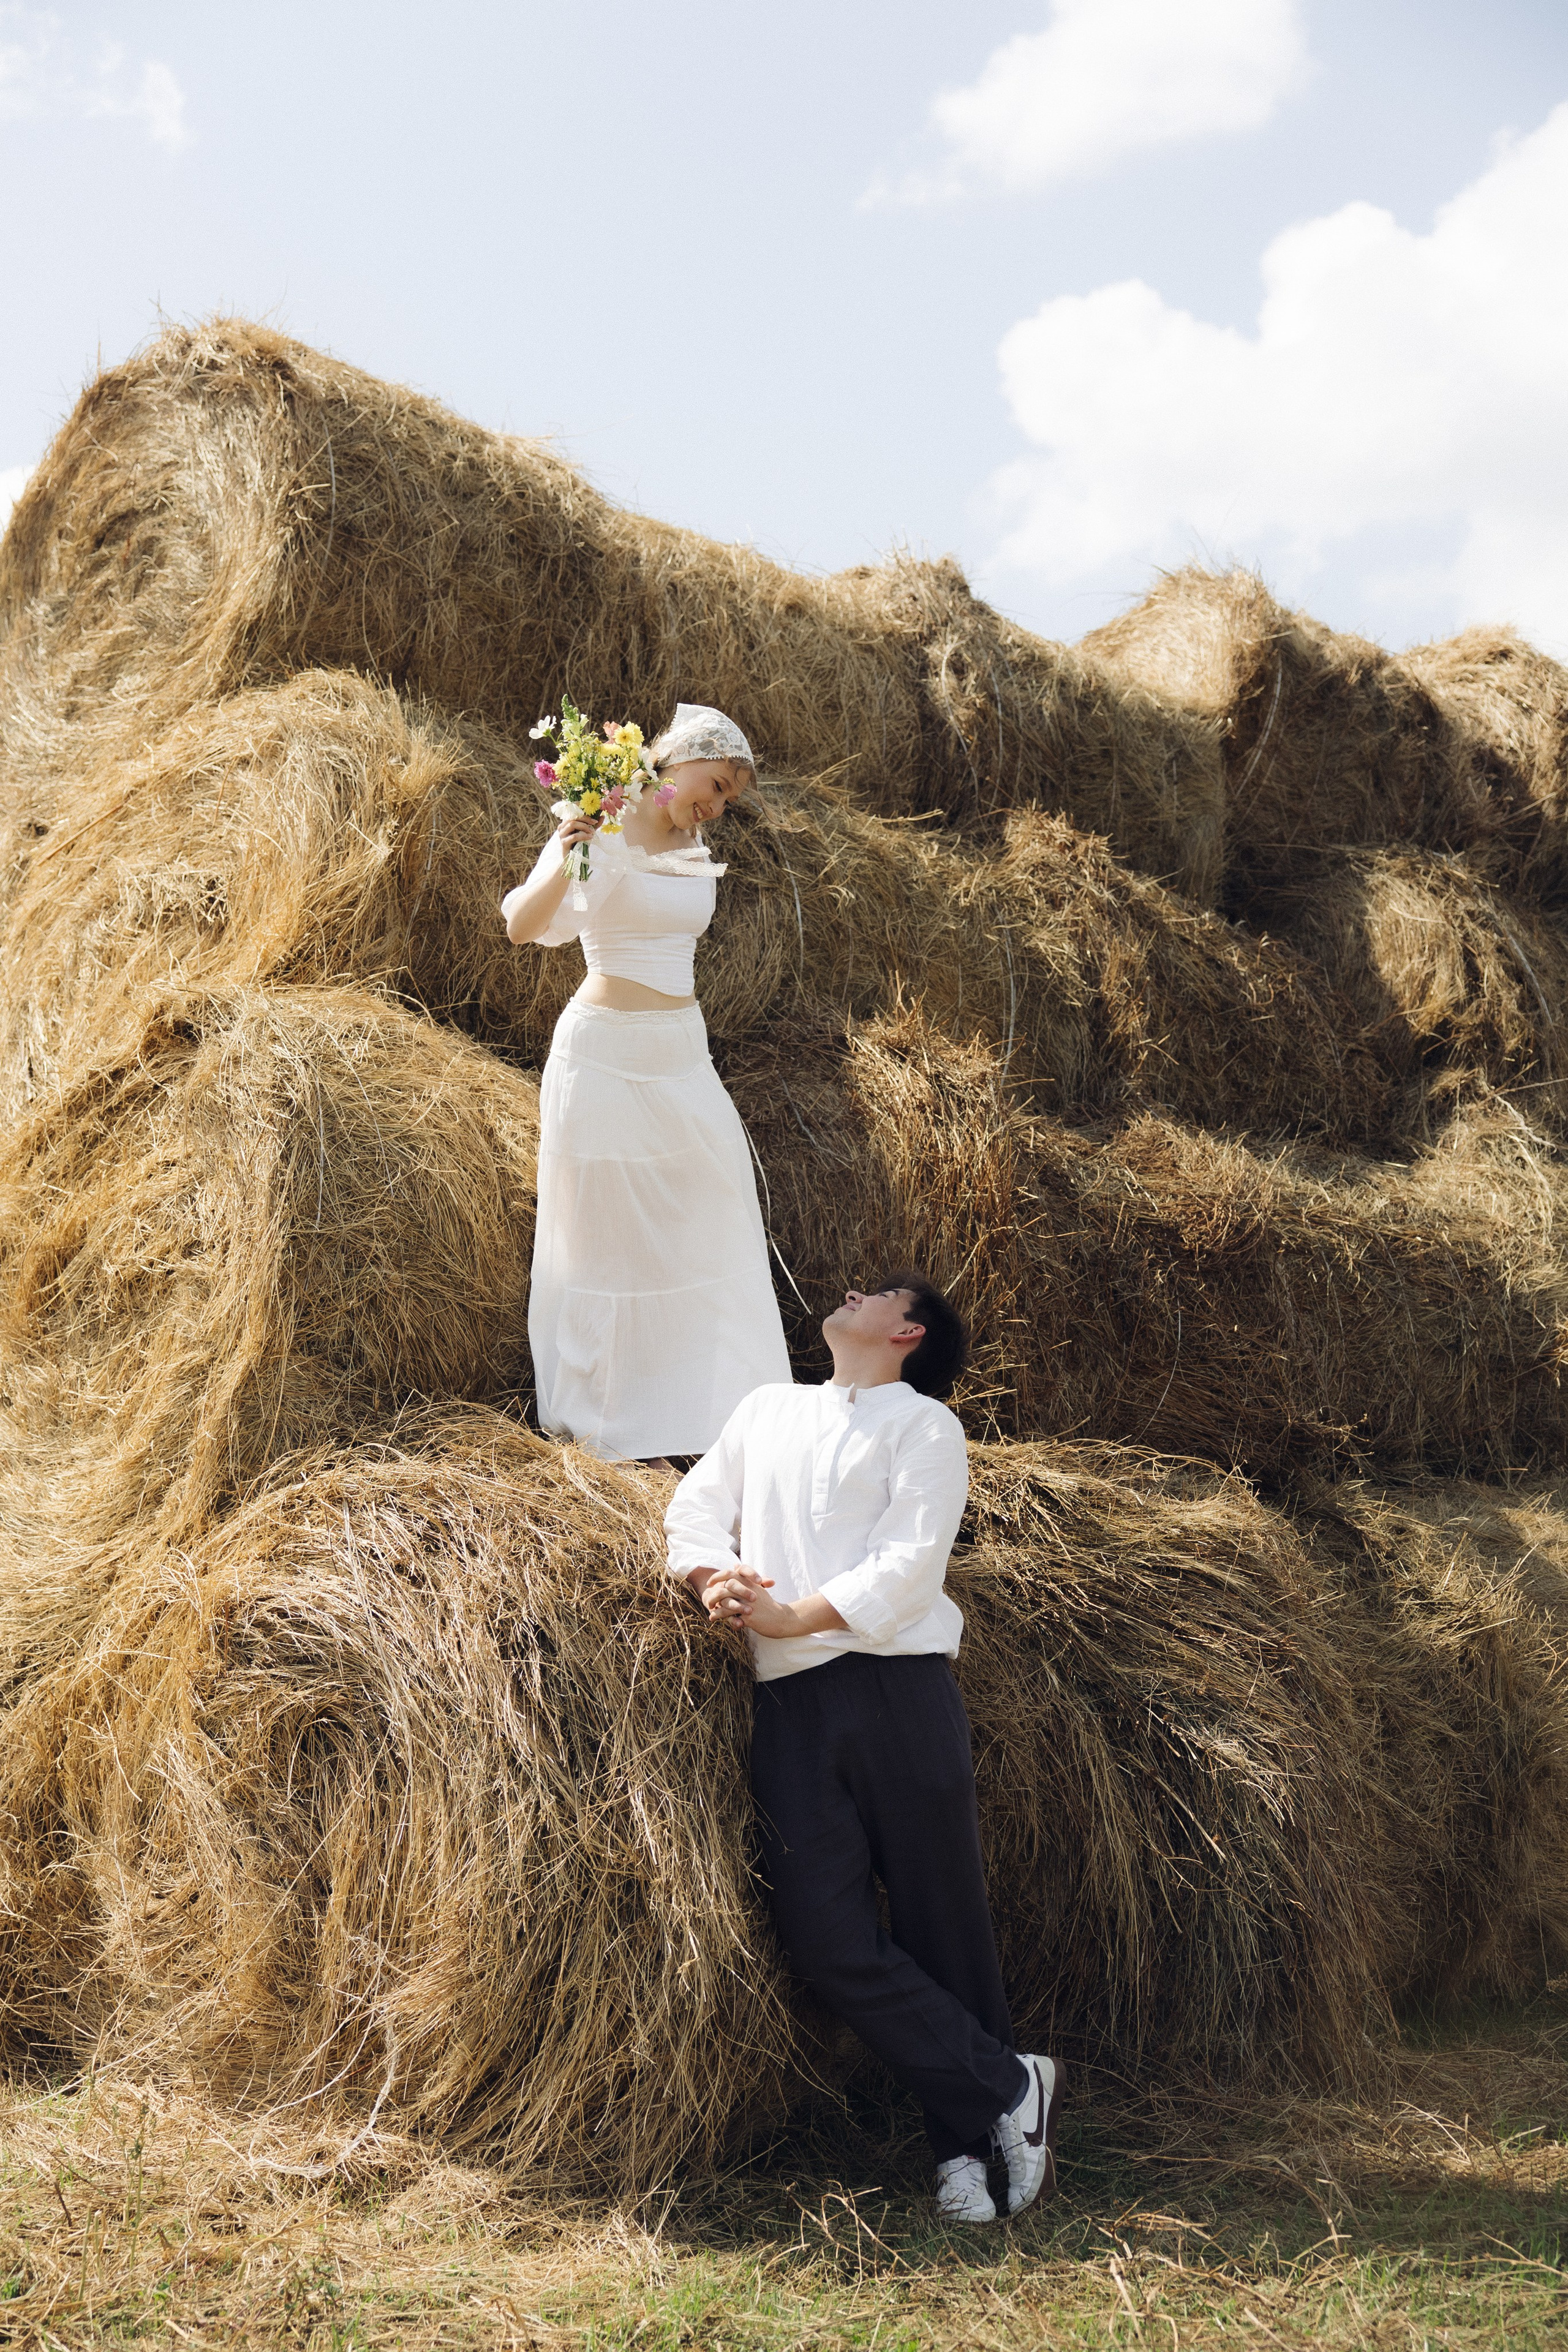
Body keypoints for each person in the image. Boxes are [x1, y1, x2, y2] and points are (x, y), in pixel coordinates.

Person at [663, 1272, 1065, 2225]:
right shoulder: (767, 1410)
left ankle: (966, 2155)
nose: (850, 1291)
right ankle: (1010, 2089)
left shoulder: (925, 1428)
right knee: (825, 1937)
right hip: (791, 1708)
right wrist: (713, 1579)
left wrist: (793, 1613)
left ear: (909, 1333)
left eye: (877, 1292)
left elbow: (912, 1562)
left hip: (899, 1693)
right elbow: (692, 1508)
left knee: (942, 1921)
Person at [502, 703, 791, 1460]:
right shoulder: (596, 812)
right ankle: (613, 1421)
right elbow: (520, 927)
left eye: (730, 798)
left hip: (681, 1055)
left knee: (715, 1212)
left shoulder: (694, 842)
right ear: (677, 759)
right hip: (602, 1054)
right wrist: (568, 853)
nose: (719, 805)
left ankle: (714, 1409)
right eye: (718, 785)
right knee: (603, 1239)